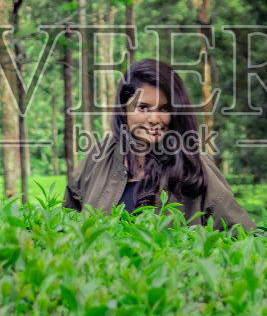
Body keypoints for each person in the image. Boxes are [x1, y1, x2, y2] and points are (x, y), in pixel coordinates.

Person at [63, 58, 255, 233]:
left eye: (164, 108)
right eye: (143, 108)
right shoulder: (98, 158)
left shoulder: (195, 164)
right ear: (124, 109)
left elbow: (243, 234)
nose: (154, 119)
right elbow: (66, 227)